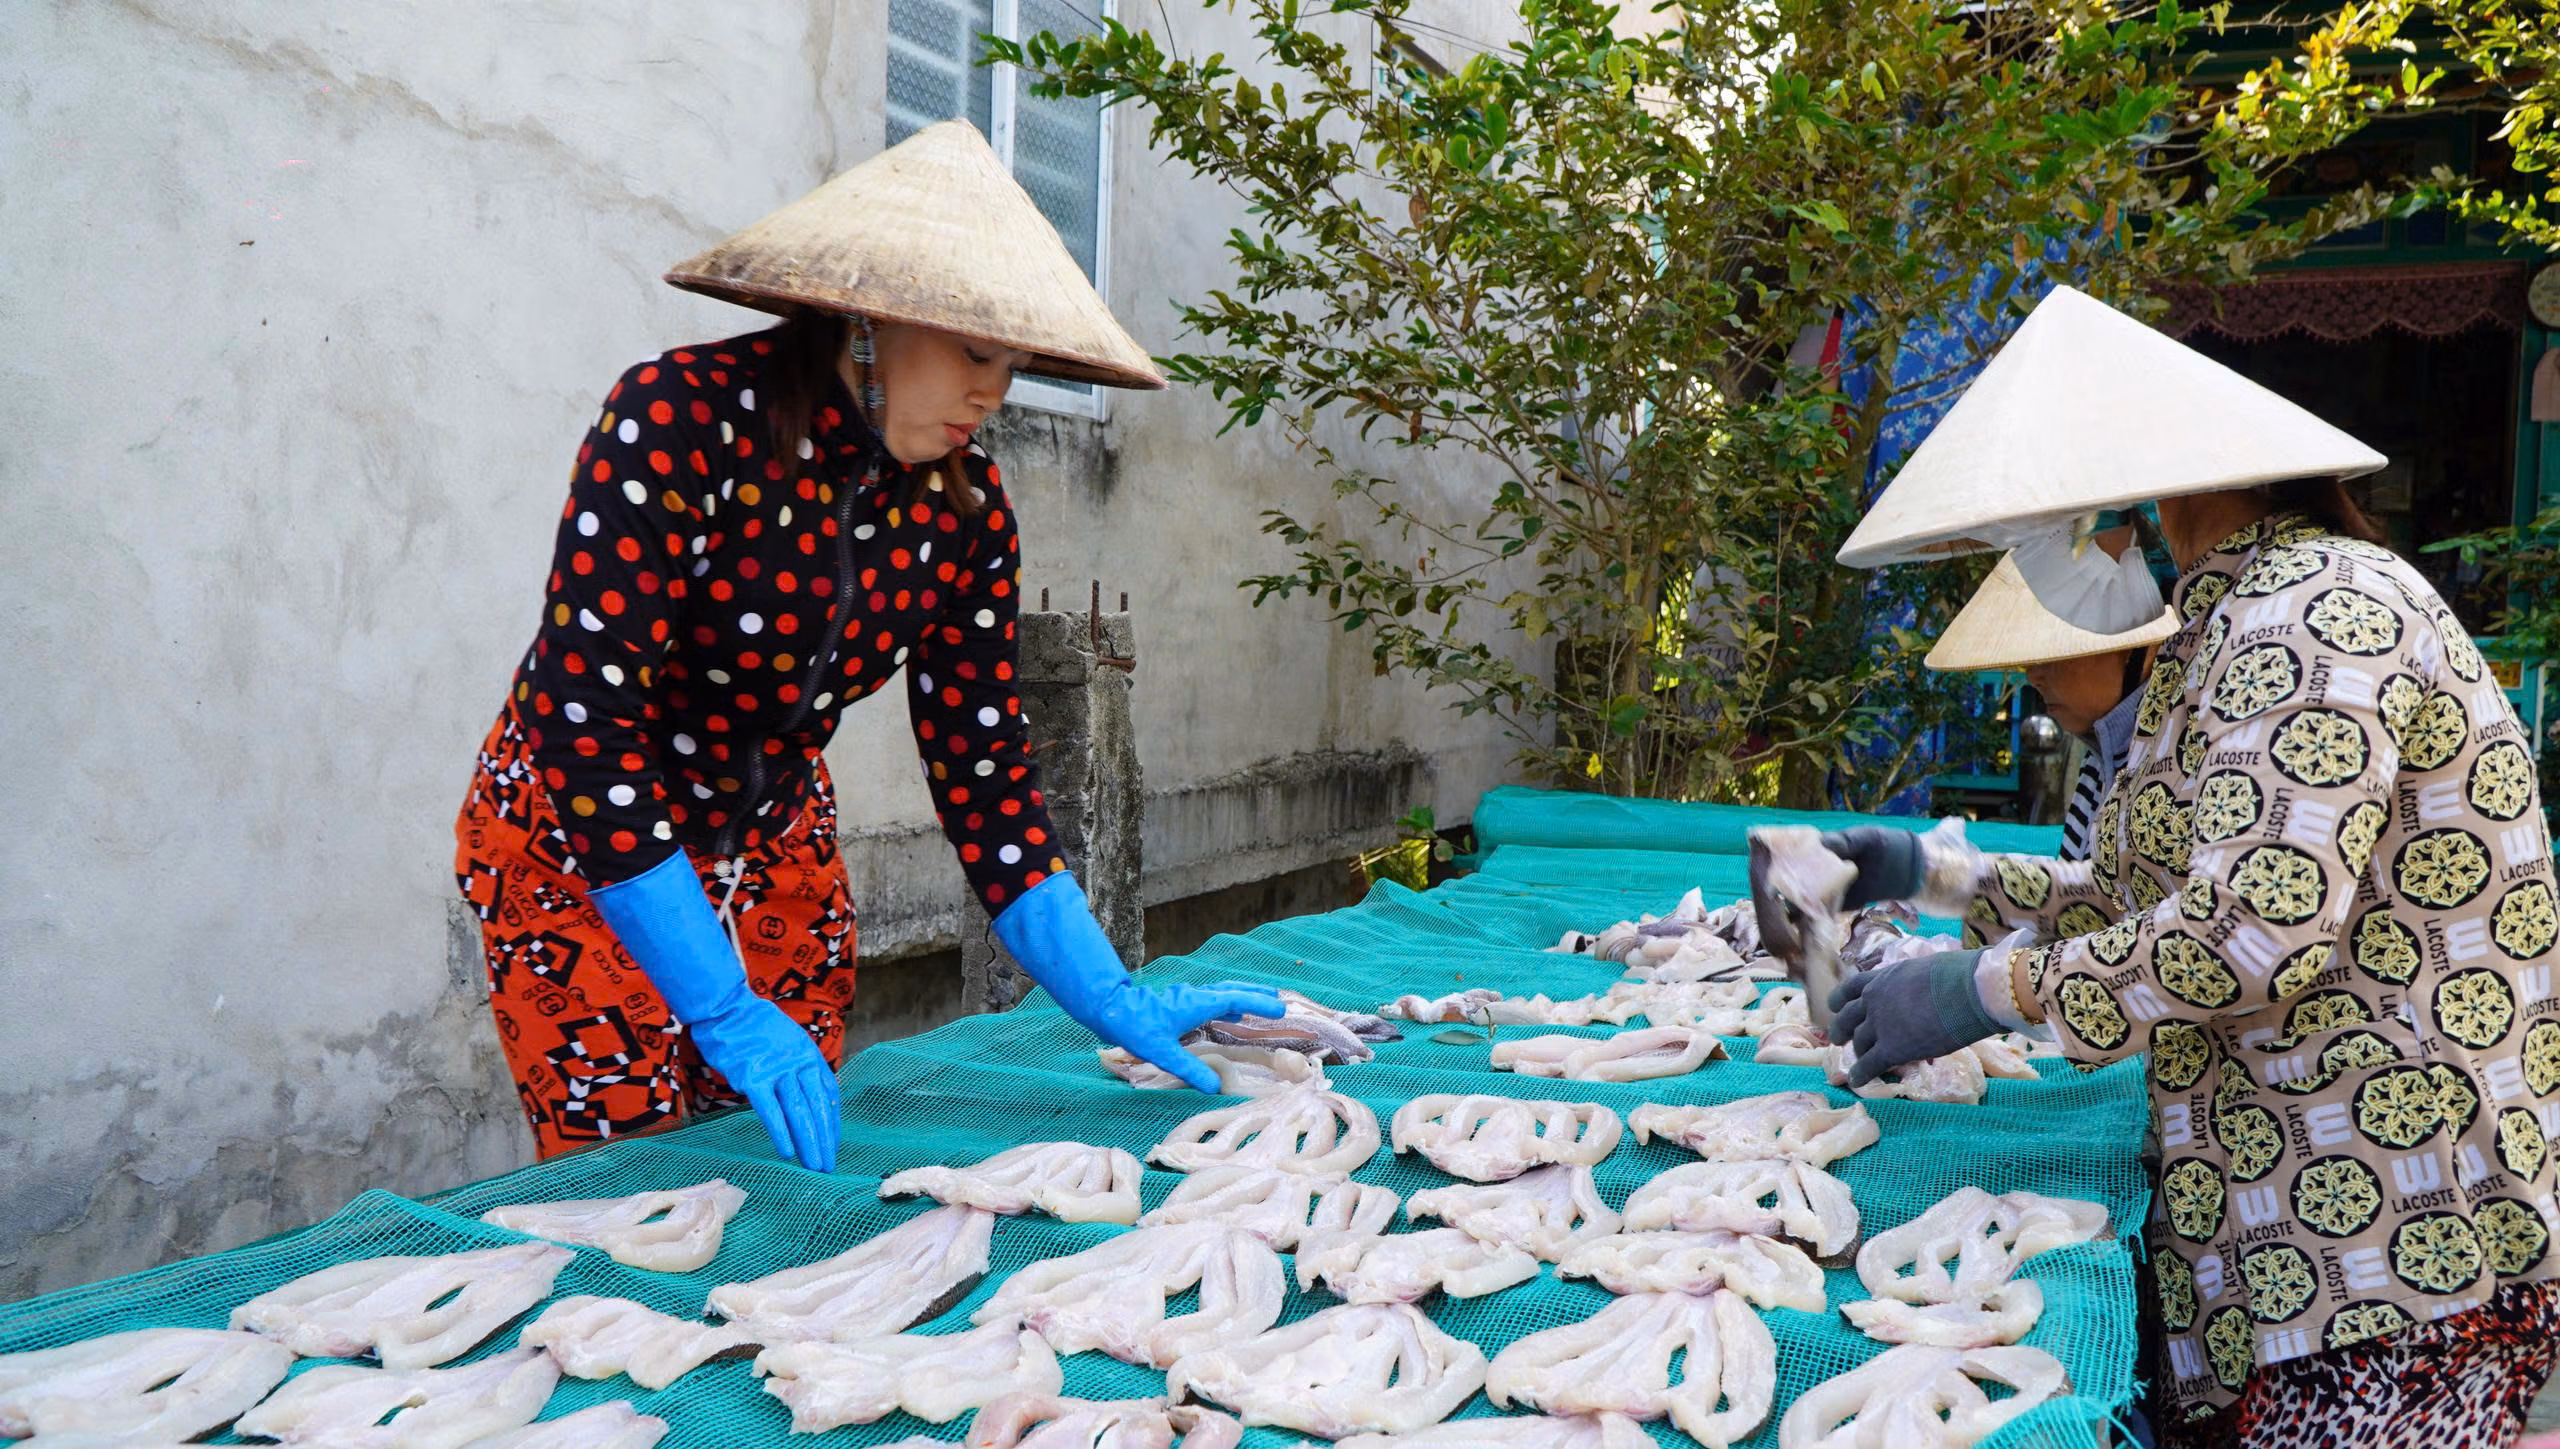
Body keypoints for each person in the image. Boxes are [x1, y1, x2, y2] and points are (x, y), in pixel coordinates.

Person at [1760, 286, 2560, 1445]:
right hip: (2295, 1217)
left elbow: (2249, 933)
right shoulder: (2230, 624)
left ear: (2147, 499)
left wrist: (1980, 989)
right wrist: (1928, 874)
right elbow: (2148, 897)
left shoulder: (2313, 612)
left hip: (2388, 1231)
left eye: (2069, 520)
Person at [454, 121, 1282, 1171]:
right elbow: (589, 727)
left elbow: (985, 777)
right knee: (631, 1170)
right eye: (975, 352)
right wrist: (718, 1004)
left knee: (780, 1154)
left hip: (773, 842)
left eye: (1015, 363)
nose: (994, 393)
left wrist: (1111, 992)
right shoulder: (675, 423)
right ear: (867, 320)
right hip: (583, 839)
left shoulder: (964, 510)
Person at [1928, 529, 2177, 860]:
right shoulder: (2105, 756)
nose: (2033, 676)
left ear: (2136, 650)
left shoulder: (2171, 759)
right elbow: (2082, 883)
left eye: (2056, 654)